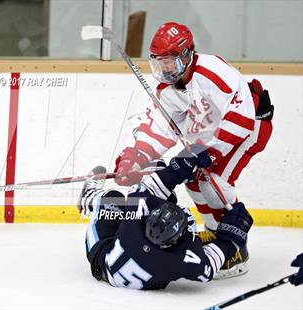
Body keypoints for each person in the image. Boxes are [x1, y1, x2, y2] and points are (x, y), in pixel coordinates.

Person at [114, 22, 274, 277]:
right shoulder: (167, 88)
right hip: (213, 133)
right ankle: (215, 230)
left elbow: (240, 118)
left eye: (170, 61)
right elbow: (160, 125)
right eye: (159, 62)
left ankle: (236, 247)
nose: (164, 68)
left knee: (213, 181)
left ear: (187, 54)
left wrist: (210, 154)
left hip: (249, 126)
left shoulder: (213, 72)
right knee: (193, 180)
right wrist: (137, 157)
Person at [77, 145, 253, 290]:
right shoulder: (179, 260)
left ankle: (89, 197)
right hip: (123, 253)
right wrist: (232, 237)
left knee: (112, 199)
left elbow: (151, 187)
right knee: (169, 201)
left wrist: (179, 167)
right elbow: (208, 267)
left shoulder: (136, 218)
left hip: (102, 255)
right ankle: (89, 199)